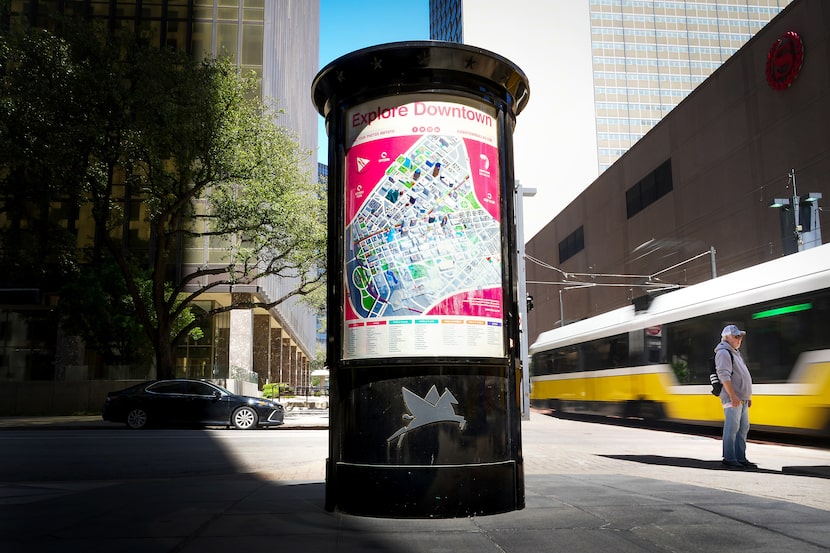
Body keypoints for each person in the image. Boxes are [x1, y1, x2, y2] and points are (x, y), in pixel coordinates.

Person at [715, 324, 756, 469]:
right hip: (733, 398)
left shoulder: (735, 353)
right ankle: (729, 458)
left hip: (742, 398)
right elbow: (724, 376)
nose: (739, 339)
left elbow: (742, 375)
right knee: (732, 428)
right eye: (736, 336)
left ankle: (740, 457)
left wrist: (747, 396)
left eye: (740, 336)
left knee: (743, 427)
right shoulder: (724, 353)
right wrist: (733, 396)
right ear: (726, 338)